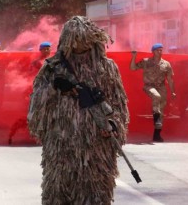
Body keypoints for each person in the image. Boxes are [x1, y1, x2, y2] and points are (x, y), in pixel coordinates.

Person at [27, 16, 129, 204]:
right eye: (76, 40)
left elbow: (118, 102)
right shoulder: (53, 68)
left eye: (85, 40)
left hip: (96, 145)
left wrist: (113, 125)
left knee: (94, 192)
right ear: (67, 40)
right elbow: (35, 104)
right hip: (61, 143)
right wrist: (54, 88)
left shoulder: (107, 67)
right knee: (59, 191)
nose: (81, 46)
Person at [130, 43, 176, 142]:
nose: (160, 52)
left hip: (162, 87)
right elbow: (133, 68)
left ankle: (157, 135)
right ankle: (156, 119)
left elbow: (170, 79)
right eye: (158, 50)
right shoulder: (146, 61)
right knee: (156, 96)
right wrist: (134, 57)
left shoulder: (166, 64)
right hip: (149, 86)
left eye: (161, 50)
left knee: (162, 111)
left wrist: (173, 92)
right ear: (153, 51)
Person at [8, 41, 52, 144]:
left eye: (48, 48)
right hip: (39, 92)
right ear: (40, 50)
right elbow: (31, 78)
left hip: (51, 91)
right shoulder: (36, 63)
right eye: (44, 49)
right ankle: (14, 132)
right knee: (34, 114)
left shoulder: (54, 61)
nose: (47, 50)